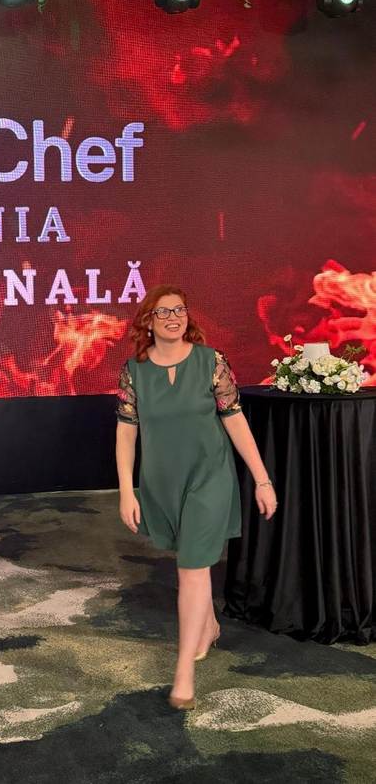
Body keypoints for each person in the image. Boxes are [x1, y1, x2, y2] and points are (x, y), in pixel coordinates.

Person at [115, 285, 277, 710]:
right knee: (191, 559)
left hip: (209, 478)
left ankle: (183, 671)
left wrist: (262, 480)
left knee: (191, 568)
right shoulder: (134, 371)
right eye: (163, 312)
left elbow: (235, 420)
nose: (174, 317)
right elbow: (126, 433)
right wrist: (127, 491)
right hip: (161, 483)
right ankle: (208, 624)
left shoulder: (211, 362)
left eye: (180, 310)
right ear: (148, 322)